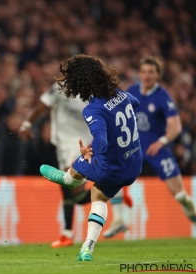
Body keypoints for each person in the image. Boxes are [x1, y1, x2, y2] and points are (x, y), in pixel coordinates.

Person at [40, 54, 143, 261]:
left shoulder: (93, 109)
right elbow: (136, 103)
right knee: (98, 195)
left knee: (75, 166)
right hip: (134, 164)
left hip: (111, 166)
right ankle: (86, 248)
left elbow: (101, 140)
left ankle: (66, 179)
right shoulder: (120, 94)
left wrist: (90, 152)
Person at [19, 82, 132, 247]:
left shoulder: (97, 93)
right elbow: (40, 106)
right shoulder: (61, 87)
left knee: (75, 191)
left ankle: (113, 189)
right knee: (68, 190)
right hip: (61, 143)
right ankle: (67, 234)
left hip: (81, 145)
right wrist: (26, 124)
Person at [104, 56, 196, 238]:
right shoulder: (131, 92)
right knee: (112, 173)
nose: (146, 75)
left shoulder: (163, 96)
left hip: (156, 149)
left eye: (151, 72)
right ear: (139, 74)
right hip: (133, 148)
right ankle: (118, 220)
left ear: (158, 75)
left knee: (178, 194)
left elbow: (175, 126)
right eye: (144, 72)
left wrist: (162, 141)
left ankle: (191, 211)